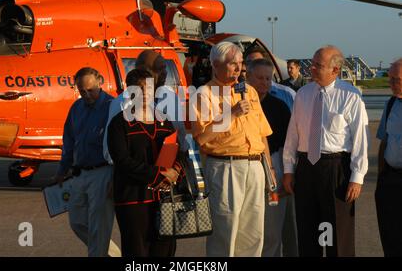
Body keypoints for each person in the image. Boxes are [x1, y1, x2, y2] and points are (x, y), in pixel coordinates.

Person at [283, 45, 369, 257]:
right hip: (306, 168)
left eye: (318, 66)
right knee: (307, 230)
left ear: (335, 70)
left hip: (335, 169)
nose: (311, 69)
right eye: (311, 64)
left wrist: (357, 177)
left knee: (336, 233)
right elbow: (293, 134)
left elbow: (360, 139)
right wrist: (288, 169)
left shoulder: (350, 96)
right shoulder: (302, 94)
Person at [190, 41, 274, 257]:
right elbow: (200, 138)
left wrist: (270, 171)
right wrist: (231, 114)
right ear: (215, 65)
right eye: (232, 64)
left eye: (240, 63)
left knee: (254, 233)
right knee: (225, 230)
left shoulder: (249, 91)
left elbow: (262, 133)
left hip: (255, 165)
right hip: (225, 168)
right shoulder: (203, 94)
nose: (238, 69)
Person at [107, 69, 184, 256]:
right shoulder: (120, 123)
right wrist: (158, 175)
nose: (144, 93)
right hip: (134, 199)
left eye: (148, 88)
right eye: (139, 89)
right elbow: (123, 161)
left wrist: (176, 171)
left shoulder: (164, 121)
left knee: (165, 250)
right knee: (137, 252)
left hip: (165, 199)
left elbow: (178, 152)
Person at [54, 67, 120, 257]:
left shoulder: (112, 107)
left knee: (99, 226)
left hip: (103, 172)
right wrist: (62, 169)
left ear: (100, 82)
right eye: (82, 91)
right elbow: (69, 141)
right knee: (77, 221)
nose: (87, 95)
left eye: (91, 90)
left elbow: (119, 147)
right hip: (80, 173)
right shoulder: (76, 108)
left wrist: (115, 178)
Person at [246, 58, 298, 257]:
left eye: (268, 78)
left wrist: (288, 176)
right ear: (247, 77)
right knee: (248, 233)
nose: (264, 83)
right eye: (259, 78)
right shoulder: (235, 103)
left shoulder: (279, 107)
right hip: (245, 167)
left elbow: (289, 146)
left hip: (274, 169)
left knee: (272, 232)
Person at [375, 58, 402, 257]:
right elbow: (384, 140)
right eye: (390, 79)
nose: (391, 84)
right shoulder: (391, 103)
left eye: (397, 79)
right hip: (391, 180)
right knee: (390, 235)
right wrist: (381, 177)